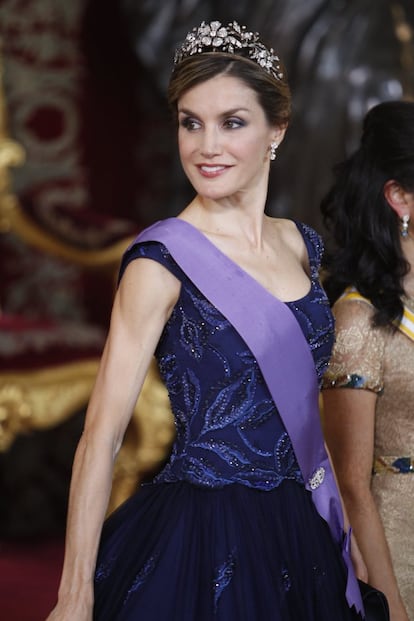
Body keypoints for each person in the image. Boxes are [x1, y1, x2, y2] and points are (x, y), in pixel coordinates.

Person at [46, 20, 365, 621]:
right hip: (202, 532)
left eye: (232, 123)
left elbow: (307, 410)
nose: (205, 146)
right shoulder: (161, 260)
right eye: (190, 122)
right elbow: (102, 436)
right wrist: (73, 594)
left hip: (305, 524)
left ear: (278, 130)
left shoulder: (302, 245)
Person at [321, 100, 414, 621]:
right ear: (399, 197)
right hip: (402, 546)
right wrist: (390, 604)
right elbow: (350, 480)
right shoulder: (359, 321)